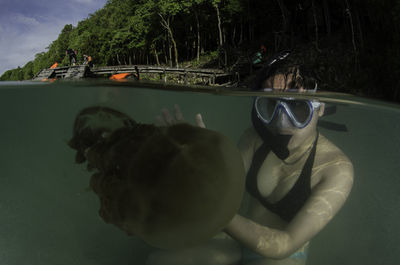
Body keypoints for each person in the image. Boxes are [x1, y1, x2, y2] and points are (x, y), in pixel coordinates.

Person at [149, 51, 354, 265]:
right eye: (271, 106)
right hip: (234, 240)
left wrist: (215, 204)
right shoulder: (255, 138)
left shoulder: (337, 168)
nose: (282, 123)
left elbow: (286, 243)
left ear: (320, 108)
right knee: (159, 260)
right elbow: (227, 189)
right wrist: (201, 159)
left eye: (297, 107)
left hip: (283, 256)